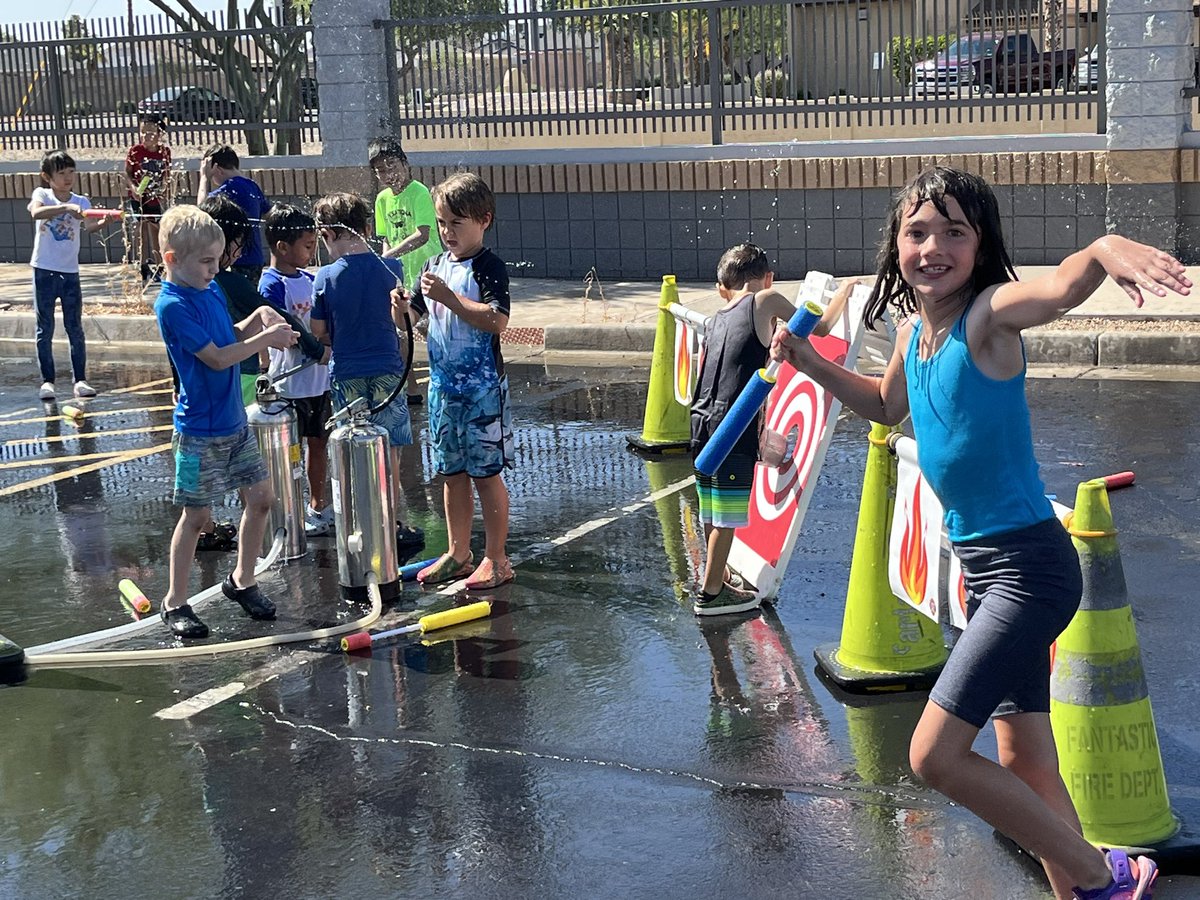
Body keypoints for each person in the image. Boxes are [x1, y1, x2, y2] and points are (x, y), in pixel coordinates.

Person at [770, 166, 1189, 900]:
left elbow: (1057, 289)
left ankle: (1104, 872)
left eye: (954, 232)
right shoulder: (913, 331)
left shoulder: (988, 315)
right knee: (1025, 760)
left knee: (933, 757)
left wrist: (1100, 250)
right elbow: (884, 405)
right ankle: (1089, 891)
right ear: (895, 245)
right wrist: (809, 361)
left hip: (1030, 569)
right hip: (984, 571)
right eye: (917, 232)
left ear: (982, 243)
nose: (933, 247)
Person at [153, 205, 299, 639]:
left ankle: (242, 580)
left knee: (261, 500)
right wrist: (266, 338)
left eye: (217, 261)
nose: (214, 270)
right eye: (205, 262)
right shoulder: (173, 305)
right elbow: (215, 358)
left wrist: (256, 320)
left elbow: (228, 336)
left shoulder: (209, 288)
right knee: (196, 518)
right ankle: (175, 601)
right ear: (171, 259)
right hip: (199, 432)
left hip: (234, 425)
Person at [403, 172, 514, 590]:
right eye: (442, 222)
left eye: (456, 222)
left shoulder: (489, 266)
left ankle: (497, 557)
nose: (447, 232)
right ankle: (458, 552)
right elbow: (414, 314)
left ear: (483, 220)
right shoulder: (434, 266)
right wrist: (400, 309)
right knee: (450, 472)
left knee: (486, 473)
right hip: (443, 388)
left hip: (483, 390)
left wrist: (450, 298)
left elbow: (497, 319)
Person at [308, 192, 424, 553]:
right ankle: (389, 521)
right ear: (367, 227)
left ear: (327, 234)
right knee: (388, 447)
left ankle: (357, 521)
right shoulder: (392, 269)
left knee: (352, 446)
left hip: (346, 374)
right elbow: (400, 318)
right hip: (389, 370)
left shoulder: (325, 276)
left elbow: (318, 332)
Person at [688, 243, 797, 616]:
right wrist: (845, 294)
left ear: (721, 287)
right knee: (728, 515)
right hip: (733, 424)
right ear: (767, 278)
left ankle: (715, 576)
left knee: (711, 509)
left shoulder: (715, 317)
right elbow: (817, 324)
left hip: (701, 422)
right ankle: (712, 593)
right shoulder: (764, 300)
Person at [258, 204, 335, 537]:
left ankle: (318, 506)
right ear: (282, 247)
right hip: (289, 384)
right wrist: (312, 347)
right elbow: (281, 325)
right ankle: (287, 508)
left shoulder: (310, 277)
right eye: (307, 246)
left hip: (320, 380)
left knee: (319, 443)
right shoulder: (271, 284)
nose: (312, 252)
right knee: (289, 451)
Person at [28, 149, 118, 402]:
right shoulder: (42, 194)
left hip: (70, 272)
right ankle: (48, 381)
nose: (68, 178)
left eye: (71, 172)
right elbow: (36, 213)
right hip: (44, 269)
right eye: (62, 173)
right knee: (44, 328)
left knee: (74, 327)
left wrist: (105, 221)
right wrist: (65, 207)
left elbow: (88, 226)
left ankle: (80, 379)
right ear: (47, 176)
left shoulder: (82, 200)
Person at [369, 137, 442, 406]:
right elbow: (386, 238)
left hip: (428, 274)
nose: (389, 174)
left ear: (406, 164)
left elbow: (422, 235)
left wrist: (387, 256)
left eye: (392, 166)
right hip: (403, 278)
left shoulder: (419, 192)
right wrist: (389, 266)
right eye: (381, 170)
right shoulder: (381, 200)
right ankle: (411, 389)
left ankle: (440, 381)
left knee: (433, 331)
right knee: (402, 335)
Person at [196, 144, 268, 283]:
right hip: (256, 256)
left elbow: (202, 210)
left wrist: (204, 178)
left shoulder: (229, 189)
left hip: (236, 257)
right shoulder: (252, 186)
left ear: (217, 169)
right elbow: (267, 211)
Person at [123, 113, 172, 283]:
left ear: (159, 135)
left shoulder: (164, 152)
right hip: (139, 197)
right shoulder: (135, 151)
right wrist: (133, 188)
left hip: (155, 197)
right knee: (140, 229)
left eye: (151, 133)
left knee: (156, 230)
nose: (146, 137)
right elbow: (128, 173)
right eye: (143, 132)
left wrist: (164, 187)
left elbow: (166, 174)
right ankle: (143, 266)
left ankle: (160, 266)